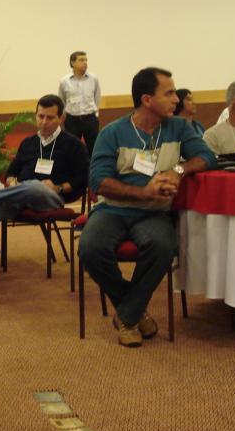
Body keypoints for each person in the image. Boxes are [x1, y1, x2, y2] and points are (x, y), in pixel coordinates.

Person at [79, 67, 216, 348]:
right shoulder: (112, 133)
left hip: (154, 212)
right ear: (147, 99)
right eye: (169, 93)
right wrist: (143, 192)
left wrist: (178, 170)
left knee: (163, 246)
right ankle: (134, 312)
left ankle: (127, 315)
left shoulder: (179, 127)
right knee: (90, 249)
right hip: (113, 209)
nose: (176, 99)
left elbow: (207, 156)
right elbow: (99, 181)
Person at [0, 94, 89, 288]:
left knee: (35, 186)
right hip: (19, 198)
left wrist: (59, 187)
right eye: (40, 116)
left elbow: (83, 179)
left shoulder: (73, 144)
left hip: (51, 198)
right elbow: (11, 172)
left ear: (61, 118)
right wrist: (11, 181)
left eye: (50, 117)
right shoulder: (28, 143)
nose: (43, 122)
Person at [58, 51, 101, 155]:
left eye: (86, 60)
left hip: (90, 119)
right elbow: (61, 100)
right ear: (72, 63)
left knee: (94, 148)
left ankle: (92, 166)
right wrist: (64, 116)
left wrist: (95, 114)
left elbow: (97, 97)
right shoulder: (64, 81)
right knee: (72, 149)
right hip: (72, 120)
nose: (85, 62)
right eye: (81, 60)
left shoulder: (93, 79)